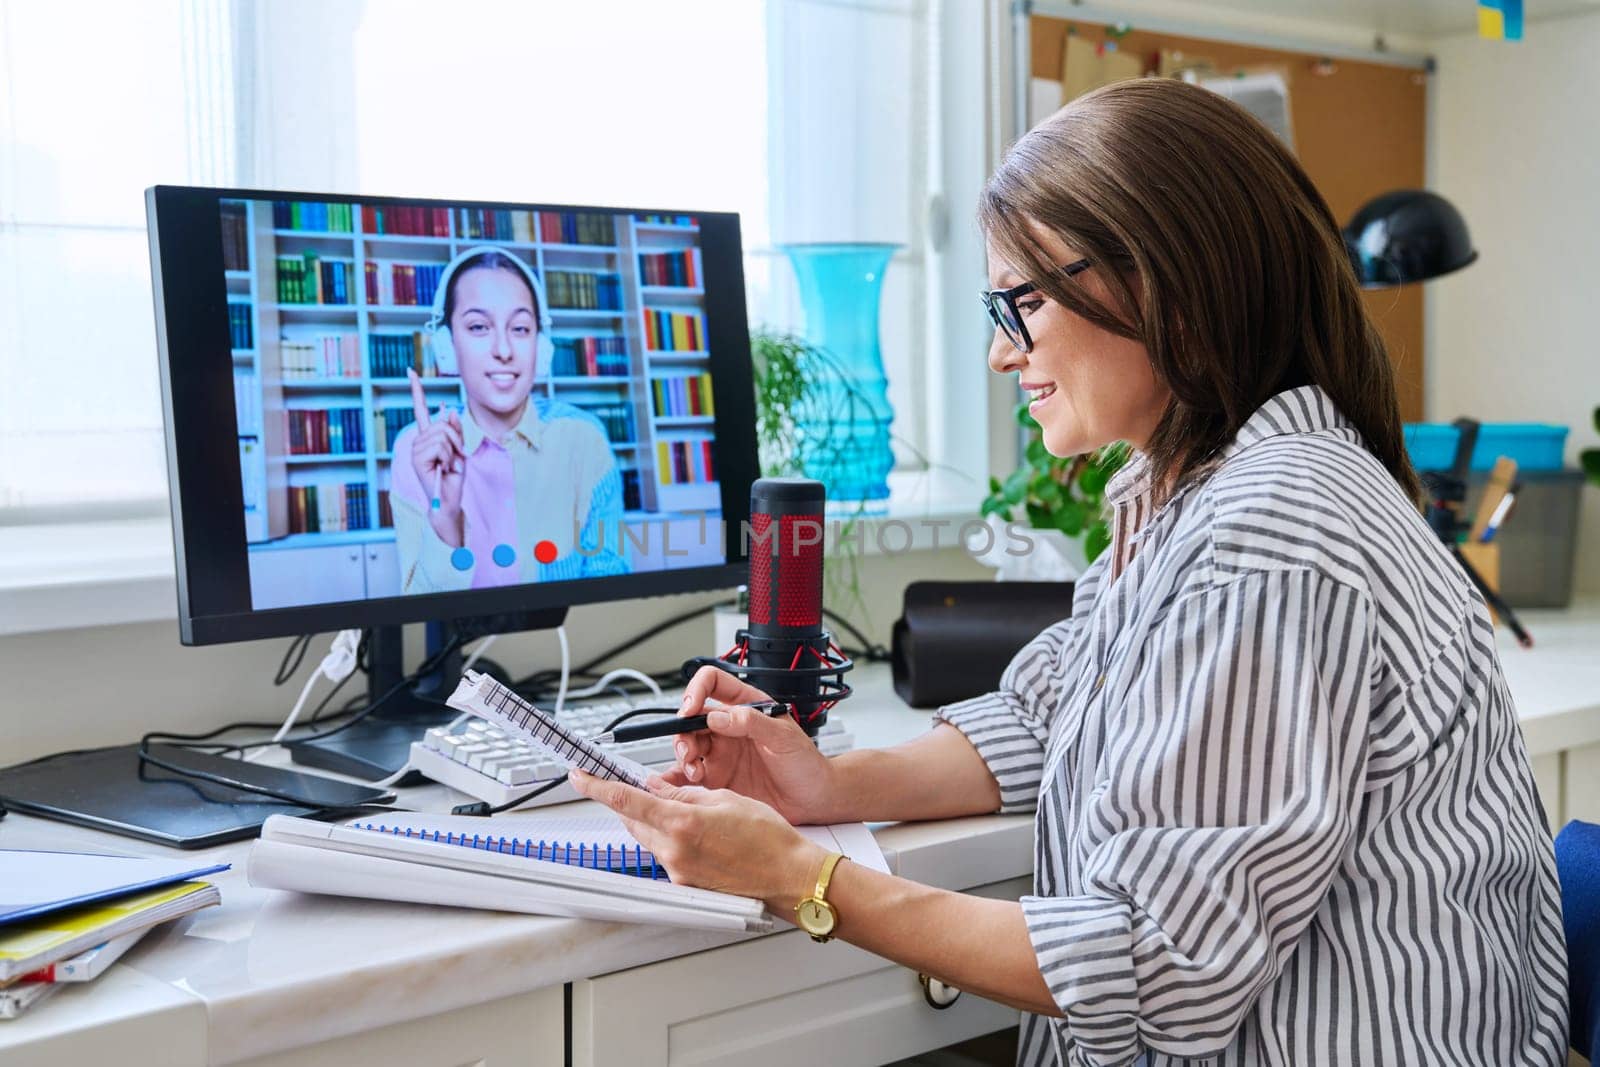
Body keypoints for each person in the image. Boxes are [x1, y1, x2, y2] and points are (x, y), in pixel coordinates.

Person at [571, 78, 1568, 1066]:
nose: (1002, 355)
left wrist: (802, 876)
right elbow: (1060, 713)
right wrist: (825, 784)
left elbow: (1154, 960)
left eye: (1022, 303)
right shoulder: (1184, 491)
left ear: (1162, 280)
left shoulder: (1266, 533)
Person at [390, 247, 628, 593]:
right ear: (447, 345)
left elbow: (614, 591)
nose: (503, 350)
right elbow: (418, 622)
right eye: (478, 326)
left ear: (541, 348)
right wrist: (445, 519)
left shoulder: (583, 438)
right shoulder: (417, 448)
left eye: (519, 328)